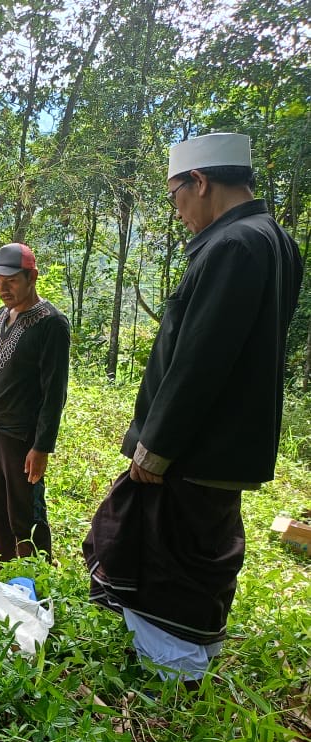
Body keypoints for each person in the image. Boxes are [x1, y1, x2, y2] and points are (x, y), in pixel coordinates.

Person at [84, 132, 303, 684]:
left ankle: (173, 671)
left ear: (200, 182)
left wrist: (157, 446)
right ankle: (181, 660)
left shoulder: (233, 246)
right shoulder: (276, 240)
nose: (178, 211)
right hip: (229, 445)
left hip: (197, 447)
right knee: (199, 548)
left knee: (171, 557)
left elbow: (200, 360)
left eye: (177, 196)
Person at [0, 243, 70, 562]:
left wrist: (42, 446)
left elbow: (54, 392)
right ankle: (5, 564)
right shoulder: (1, 315)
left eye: (11, 281)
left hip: (21, 438)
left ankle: (37, 573)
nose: (2, 289)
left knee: (25, 514)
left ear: (31, 277)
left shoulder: (51, 324)